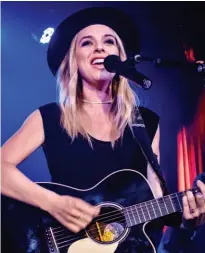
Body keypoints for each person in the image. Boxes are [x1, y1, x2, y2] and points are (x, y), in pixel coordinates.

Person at [1, 6, 205, 253]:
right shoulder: (51, 117)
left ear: (121, 57)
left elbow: (155, 205)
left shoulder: (146, 122)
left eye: (109, 42)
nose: (100, 48)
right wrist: (53, 203)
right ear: (73, 60)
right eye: (87, 43)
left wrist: (187, 223)